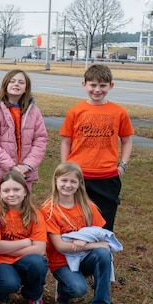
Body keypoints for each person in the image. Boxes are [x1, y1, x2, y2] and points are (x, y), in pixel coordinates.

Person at [59, 64, 133, 231]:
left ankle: (103, 245)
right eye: (93, 85)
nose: (97, 90)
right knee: (76, 217)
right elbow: (66, 141)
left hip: (107, 175)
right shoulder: (75, 111)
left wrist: (122, 165)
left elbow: (126, 141)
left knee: (104, 220)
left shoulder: (119, 112)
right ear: (84, 84)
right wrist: (65, 167)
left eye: (102, 85)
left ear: (110, 86)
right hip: (78, 174)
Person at [40, 162, 118, 304]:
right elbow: (60, 246)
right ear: (55, 180)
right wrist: (88, 244)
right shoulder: (49, 210)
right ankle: (63, 290)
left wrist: (94, 245)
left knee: (103, 254)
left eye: (73, 181)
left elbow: (101, 236)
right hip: (62, 262)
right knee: (78, 289)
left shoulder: (88, 206)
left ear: (80, 183)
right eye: (64, 180)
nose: (68, 185)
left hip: (85, 258)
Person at [0, 170, 48, 304]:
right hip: (1, 261)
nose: (11, 194)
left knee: (38, 263)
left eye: (16, 189)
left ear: (25, 191)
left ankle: (34, 296)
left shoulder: (35, 214)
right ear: (0, 192)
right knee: (9, 284)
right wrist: (26, 242)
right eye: (6, 190)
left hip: (24, 260)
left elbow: (40, 250)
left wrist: (6, 248)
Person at [0, 69, 47, 200]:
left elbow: (40, 139)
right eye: (12, 81)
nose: (16, 84)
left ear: (26, 88)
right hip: (2, 171)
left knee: (23, 206)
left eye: (21, 82)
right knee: (3, 206)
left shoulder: (33, 110)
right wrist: (11, 166)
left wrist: (27, 166)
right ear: (5, 85)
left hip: (25, 172)